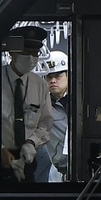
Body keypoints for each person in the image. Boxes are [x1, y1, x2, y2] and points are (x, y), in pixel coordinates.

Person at [0, 25, 54, 185]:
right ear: (12, 53)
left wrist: (32, 143)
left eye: (35, 53)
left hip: (28, 161)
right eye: (26, 53)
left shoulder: (39, 84)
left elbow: (45, 123)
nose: (31, 58)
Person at [37, 50, 70, 181]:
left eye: (58, 75)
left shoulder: (83, 101)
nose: (53, 81)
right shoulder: (40, 106)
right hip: (60, 171)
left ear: (68, 75)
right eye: (49, 77)